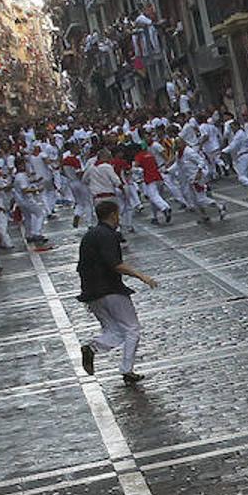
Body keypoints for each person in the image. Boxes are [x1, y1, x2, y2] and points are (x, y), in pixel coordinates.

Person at [77, 201, 158, 385]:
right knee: (132, 328)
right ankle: (127, 370)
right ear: (114, 215)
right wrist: (141, 275)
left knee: (115, 331)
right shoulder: (108, 235)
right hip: (110, 289)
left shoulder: (90, 235)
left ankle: (92, 347)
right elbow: (115, 264)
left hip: (91, 292)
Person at [133, 144, 174, 224]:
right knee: (155, 199)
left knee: (154, 196)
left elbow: (136, 167)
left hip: (150, 178)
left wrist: (138, 171)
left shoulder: (139, 156)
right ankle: (155, 217)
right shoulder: (150, 155)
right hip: (158, 177)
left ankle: (165, 208)